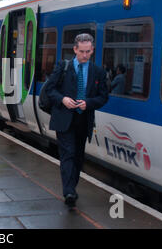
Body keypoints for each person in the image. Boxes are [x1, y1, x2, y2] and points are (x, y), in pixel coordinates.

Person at [45, 33, 108, 208]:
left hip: (83, 121)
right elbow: (50, 89)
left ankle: (72, 187)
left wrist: (88, 103)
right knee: (68, 154)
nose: (85, 55)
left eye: (88, 51)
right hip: (64, 120)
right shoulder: (62, 67)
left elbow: (103, 97)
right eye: (81, 51)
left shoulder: (98, 72)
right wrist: (63, 99)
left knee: (78, 157)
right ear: (74, 49)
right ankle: (69, 191)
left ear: (92, 50)